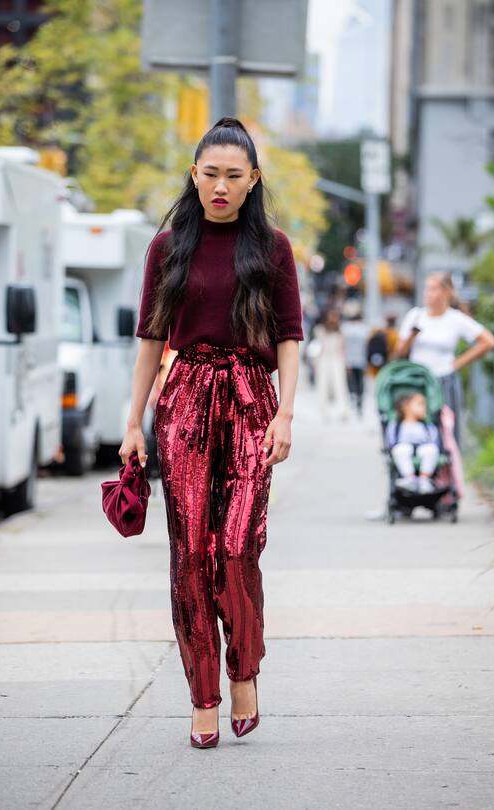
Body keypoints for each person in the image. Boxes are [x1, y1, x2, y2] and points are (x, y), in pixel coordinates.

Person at [119, 117, 304, 749]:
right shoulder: (166, 248)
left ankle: (244, 670)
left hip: (252, 399)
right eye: (210, 174)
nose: (220, 186)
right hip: (186, 402)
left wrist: (285, 413)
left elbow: (288, 337)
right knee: (189, 555)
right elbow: (149, 340)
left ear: (253, 181)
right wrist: (133, 422)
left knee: (236, 549)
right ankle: (203, 696)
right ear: (193, 177)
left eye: (234, 176)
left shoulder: (274, 247)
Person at [395, 272, 494, 445]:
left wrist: (457, 363)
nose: (428, 293)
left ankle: (446, 469)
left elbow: (489, 341)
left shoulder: (455, 319)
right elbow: (399, 351)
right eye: (427, 289)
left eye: (434, 289)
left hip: (444, 380)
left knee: (446, 433)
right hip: (417, 381)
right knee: (417, 431)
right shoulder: (416, 315)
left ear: (446, 292)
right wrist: (412, 336)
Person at [386, 392, 440, 494]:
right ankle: (410, 478)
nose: (424, 408)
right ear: (406, 407)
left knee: (432, 450)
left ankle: (424, 479)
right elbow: (392, 441)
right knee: (400, 450)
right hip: (404, 447)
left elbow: (434, 439)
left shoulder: (427, 426)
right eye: (420, 404)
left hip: (423, 448)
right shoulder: (396, 425)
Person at [311, 307, 352, 421]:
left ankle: (343, 410)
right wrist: (315, 360)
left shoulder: (340, 330)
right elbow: (317, 346)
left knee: (340, 385)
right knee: (323, 385)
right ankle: (323, 411)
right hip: (323, 359)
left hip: (337, 359)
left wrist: (346, 362)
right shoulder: (320, 330)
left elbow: (343, 348)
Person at [340, 301, 369, 416]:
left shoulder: (346, 328)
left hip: (356, 359)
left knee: (356, 382)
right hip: (355, 359)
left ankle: (357, 401)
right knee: (356, 382)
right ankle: (356, 401)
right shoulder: (362, 328)